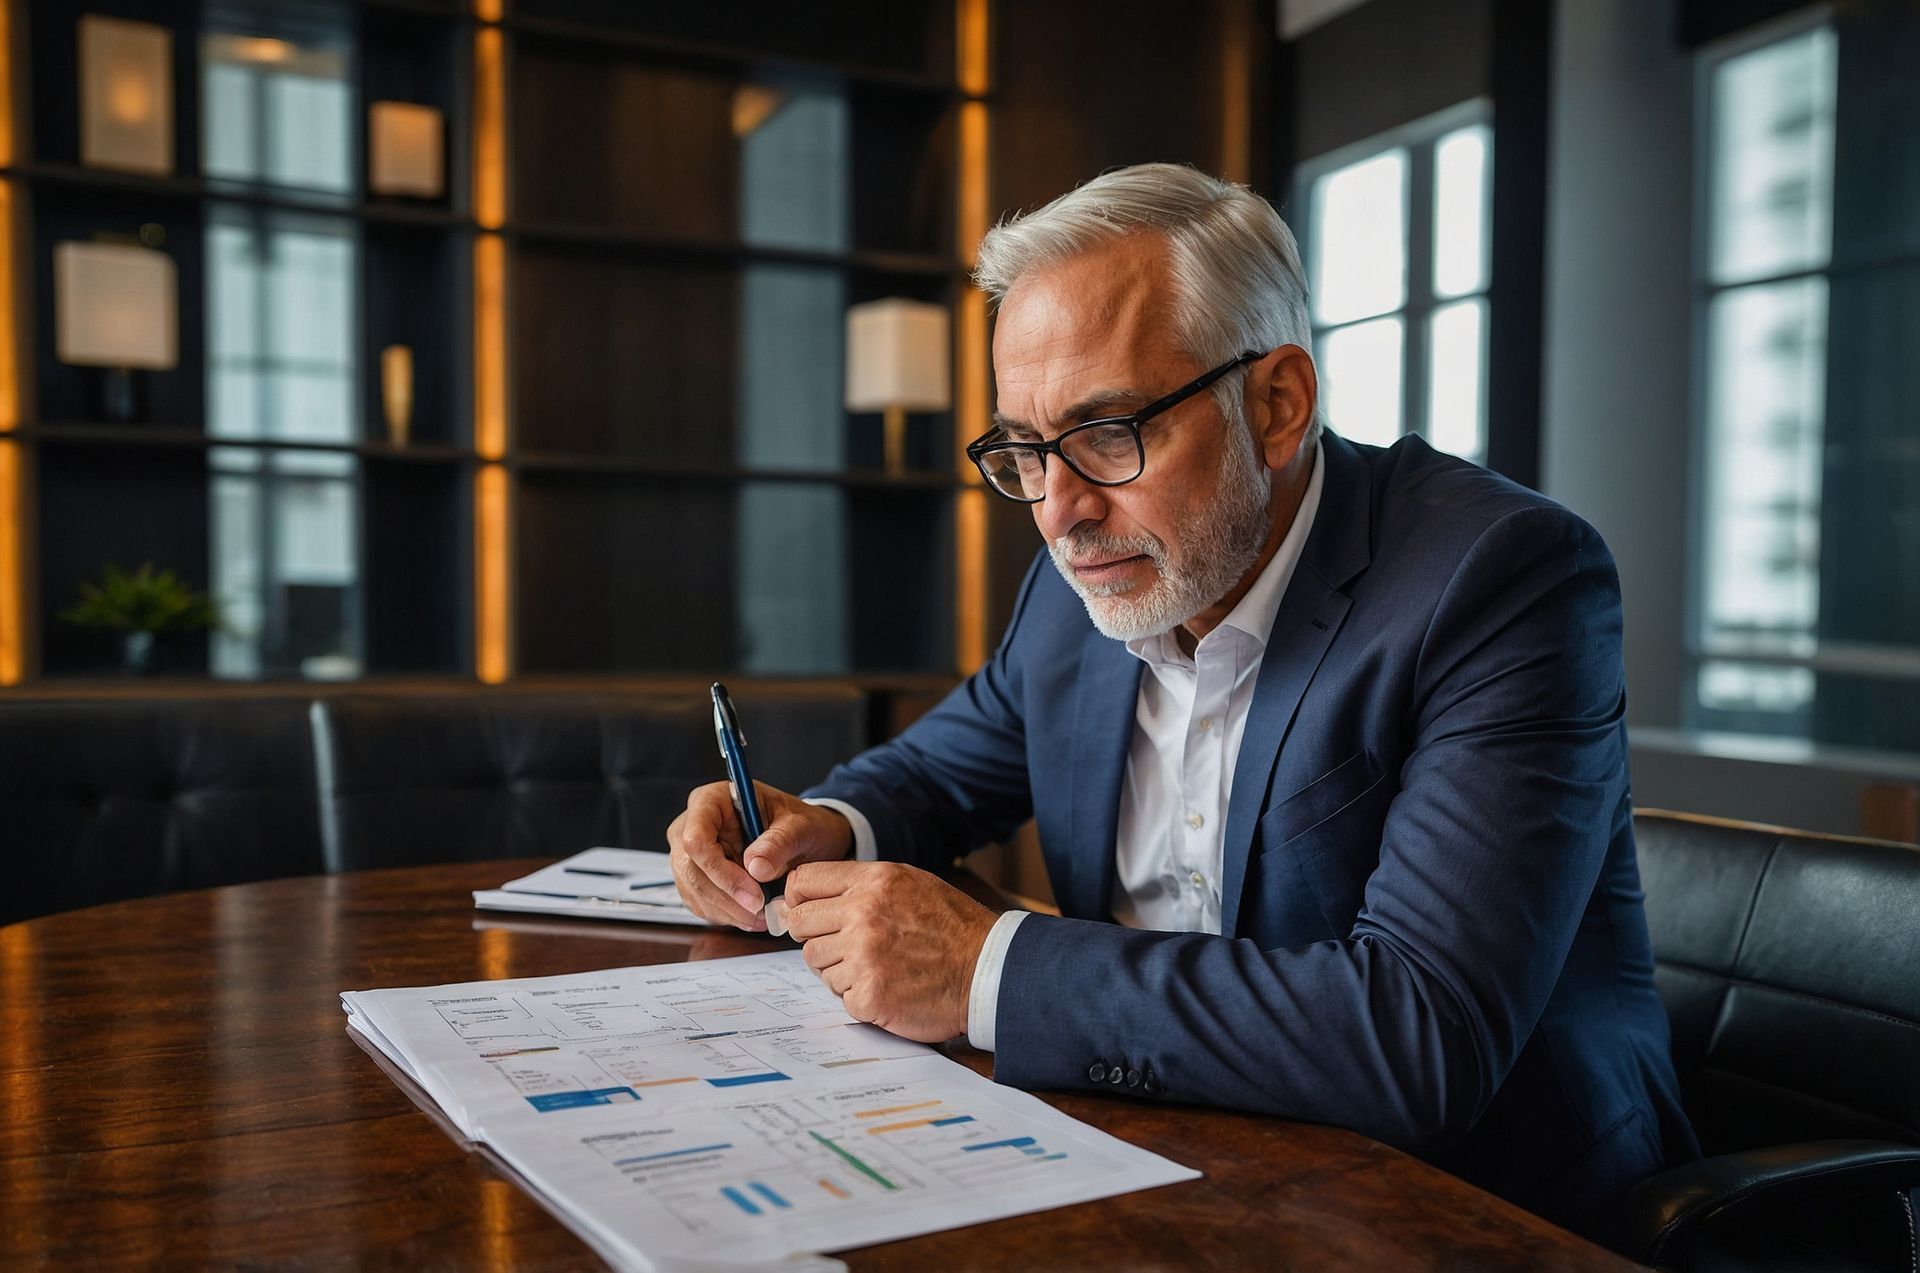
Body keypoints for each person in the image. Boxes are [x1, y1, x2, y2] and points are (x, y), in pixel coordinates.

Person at [668, 162, 1696, 1237]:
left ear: (1278, 403)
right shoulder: (1092, 582)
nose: (1060, 511)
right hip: (1161, 1163)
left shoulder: (1501, 578)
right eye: (1024, 449)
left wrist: (988, 968)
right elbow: (936, 770)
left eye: (1109, 433)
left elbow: (1418, 1035)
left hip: (1472, 1211)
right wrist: (808, 826)